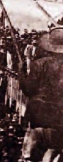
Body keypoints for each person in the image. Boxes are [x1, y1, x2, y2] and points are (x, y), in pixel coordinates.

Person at [20, 27, 63, 162]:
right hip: (59, 118)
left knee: (29, 153)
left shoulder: (39, 64)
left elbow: (28, 89)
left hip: (38, 115)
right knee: (53, 151)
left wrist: (21, 72)